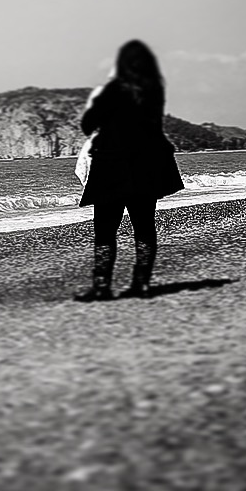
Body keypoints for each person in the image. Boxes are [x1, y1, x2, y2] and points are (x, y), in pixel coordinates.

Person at [74, 39, 185, 301]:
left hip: (113, 166)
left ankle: (102, 287)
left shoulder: (114, 90)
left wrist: (101, 95)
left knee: (105, 230)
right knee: (144, 227)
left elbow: (89, 123)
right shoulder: (154, 91)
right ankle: (142, 284)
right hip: (148, 167)